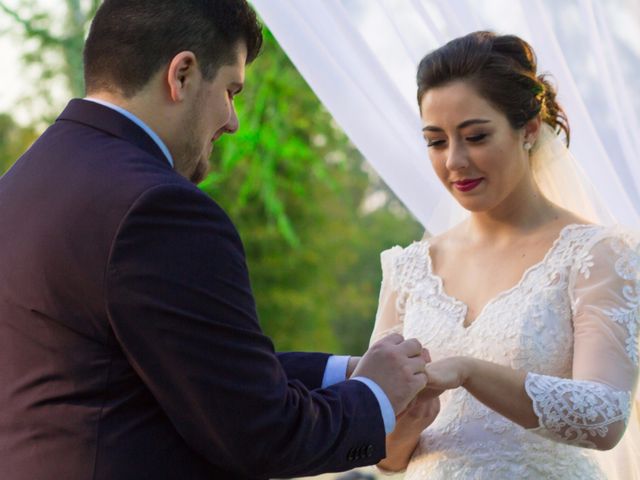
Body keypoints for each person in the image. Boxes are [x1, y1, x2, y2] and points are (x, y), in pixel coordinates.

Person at [0, 1, 431, 479]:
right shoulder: (160, 208)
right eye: (231, 90)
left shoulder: (17, 188)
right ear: (181, 75)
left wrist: (344, 371)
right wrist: (374, 396)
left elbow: (190, 367)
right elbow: (261, 434)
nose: (232, 121)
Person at [370, 31, 640, 479]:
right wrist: (406, 424)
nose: (454, 161)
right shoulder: (409, 269)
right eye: (436, 142)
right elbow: (382, 455)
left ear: (529, 128)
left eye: (475, 136)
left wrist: (469, 373)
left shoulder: (596, 255)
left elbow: (605, 416)